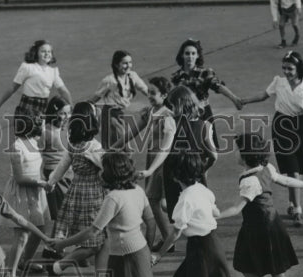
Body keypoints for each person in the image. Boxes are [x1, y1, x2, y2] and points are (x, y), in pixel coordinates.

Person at [150, 153, 247, 277]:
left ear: (175, 177)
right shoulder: (202, 190)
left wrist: (158, 254)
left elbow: (175, 232)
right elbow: (216, 213)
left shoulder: (184, 200)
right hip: (207, 244)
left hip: (203, 248)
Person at [216, 133, 303, 277]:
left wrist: (212, 217)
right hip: (257, 226)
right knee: (243, 265)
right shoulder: (266, 168)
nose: (235, 153)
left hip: (265, 228)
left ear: (245, 156)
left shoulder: (249, 181)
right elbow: (285, 181)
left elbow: (236, 208)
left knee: (276, 269)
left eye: (238, 150)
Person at [238, 50, 303, 226]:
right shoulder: (279, 82)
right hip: (282, 126)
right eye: (284, 68)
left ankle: (292, 203)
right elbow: (263, 95)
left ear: (299, 68)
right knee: (292, 168)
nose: (286, 72)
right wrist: (244, 100)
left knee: (298, 166)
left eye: (290, 68)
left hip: (301, 127)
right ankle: (298, 210)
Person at [45, 101, 109, 277]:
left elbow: (62, 166)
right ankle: (58, 267)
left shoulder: (74, 144)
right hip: (93, 197)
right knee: (93, 244)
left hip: (77, 193)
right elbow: (106, 169)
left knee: (104, 240)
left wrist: (51, 182)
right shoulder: (94, 146)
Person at [4, 112, 52, 277]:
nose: (39, 126)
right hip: (22, 192)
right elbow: (19, 178)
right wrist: (42, 182)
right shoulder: (16, 147)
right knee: (22, 234)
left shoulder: (34, 141)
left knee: (39, 229)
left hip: (36, 191)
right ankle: (10, 274)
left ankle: (26, 261)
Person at [161, 85, 219, 226]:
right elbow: (213, 156)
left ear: (180, 106)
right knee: (198, 214)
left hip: (174, 176)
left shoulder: (171, 123)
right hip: (195, 174)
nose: (170, 110)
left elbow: (165, 150)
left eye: (172, 106)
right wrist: (203, 168)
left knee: (177, 216)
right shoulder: (205, 125)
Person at [131, 76, 177, 249]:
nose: (149, 95)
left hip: (162, 163)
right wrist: (113, 147)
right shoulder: (151, 112)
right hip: (153, 161)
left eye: (153, 93)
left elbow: (166, 148)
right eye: (148, 92)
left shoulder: (167, 117)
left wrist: (150, 170)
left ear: (164, 95)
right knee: (157, 201)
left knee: (158, 202)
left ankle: (171, 237)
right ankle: (168, 239)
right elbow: (132, 133)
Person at [0, 39, 72, 120]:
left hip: (42, 110)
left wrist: (72, 108)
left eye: (49, 51)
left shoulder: (53, 72)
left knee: (40, 133)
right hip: (26, 109)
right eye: (43, 51)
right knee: (26, 133)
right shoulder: (27, 67)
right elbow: (12, 88)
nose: (47, 54)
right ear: (36, 53)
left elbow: (63, 91)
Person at [87, 49, 149, 150]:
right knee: (117, 145)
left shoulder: (133, 76)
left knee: (120, 144)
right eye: (125, 63)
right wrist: (82, 110)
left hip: (121, 114)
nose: (128, 65)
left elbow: (145, 90)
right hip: (110, 115)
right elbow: (94, 98)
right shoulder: (109, 81)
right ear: (116, 65)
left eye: (130, 62)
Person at [170, 38, 243, 122]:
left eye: (193, 53)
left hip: (203, 113)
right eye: (187, 53)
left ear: (197, 55)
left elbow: (218, 86)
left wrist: (234, 99)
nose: (190, 56)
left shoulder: (205, 73)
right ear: (182, 55)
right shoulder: (176, 76)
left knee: (207, 134)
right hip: (185, 114)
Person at [41, 96, 72, 225]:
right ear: (54, 113)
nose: (66, 116)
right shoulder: (45, 131)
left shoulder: (67, 128)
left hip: (70, 174)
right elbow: (38, 154)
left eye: (68, 113)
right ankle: (55, 244)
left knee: (69, 213)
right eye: (62, 113)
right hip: (55, 176)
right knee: (61, 215)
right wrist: (42, 176)